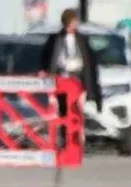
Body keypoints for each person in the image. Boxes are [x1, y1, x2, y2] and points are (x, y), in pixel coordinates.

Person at [39, 8, 102, 145]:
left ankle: (77, 135)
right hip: (61, 78)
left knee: (77, 108)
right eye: (67, 24)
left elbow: (90, 61)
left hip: (78, 78)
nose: (70, 27)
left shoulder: (82, 40)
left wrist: (90, 83)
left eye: (72, 23)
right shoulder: (55, 39)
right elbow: (47, 58)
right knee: (63, 109)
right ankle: (65, 138)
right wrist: (46, 71)